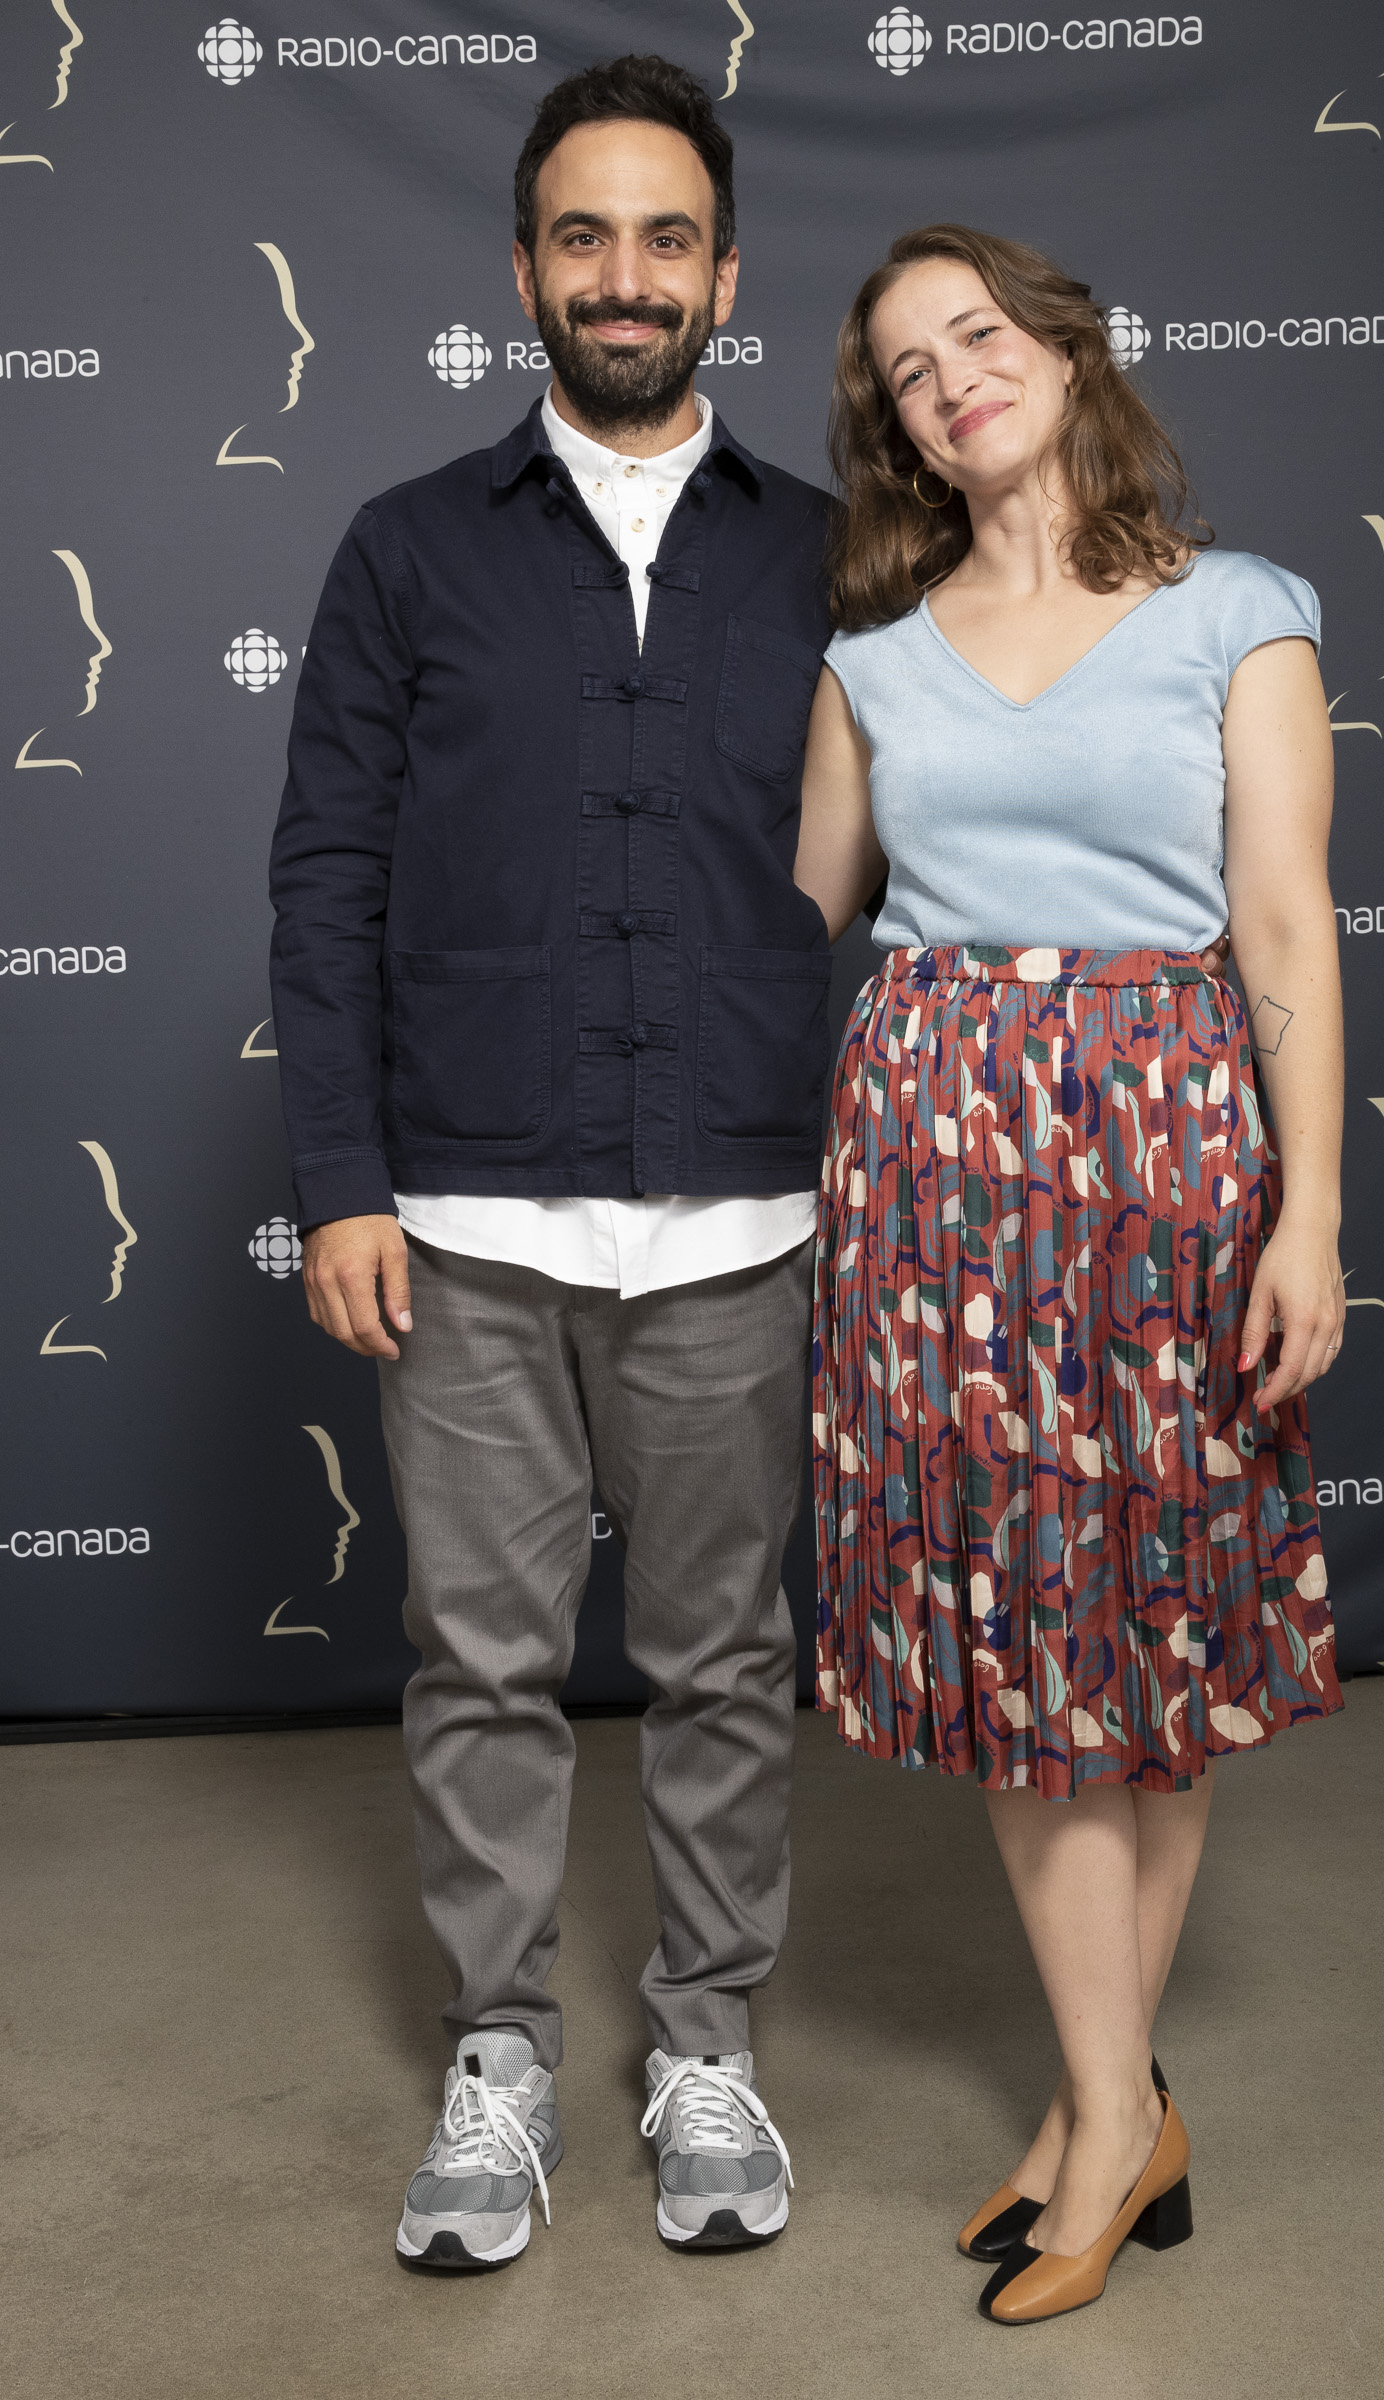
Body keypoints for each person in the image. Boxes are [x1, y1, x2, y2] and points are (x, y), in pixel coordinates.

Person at [269, 56, 831, 2266]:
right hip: (469, 1221)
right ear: (521, 269)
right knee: (483, 1665)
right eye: (582, 235)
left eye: (664, 237)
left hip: (741, 1218)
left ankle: (707, 2042)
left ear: (724, 278)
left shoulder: (829, 553)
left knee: (723, 1665)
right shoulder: (406, 546)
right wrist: (340, 1176)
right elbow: (326, 873)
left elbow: (916, 857)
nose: (624, 276)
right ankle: (497, 2058)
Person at [794, 224, 1344, 2325]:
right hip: (936, 1179)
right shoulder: (870, 660)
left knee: (1152, 1653)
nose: (953, 379)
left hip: (1166, 1163)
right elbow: (798, 921)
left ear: (1060, 348)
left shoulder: (1238, 612)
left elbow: (1279, 927)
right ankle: (1114, 2112)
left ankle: (1100, 2119)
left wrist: (1307, 1211)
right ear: (899, 433)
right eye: (908, 370)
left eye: (978, 335)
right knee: (1030, 1658)